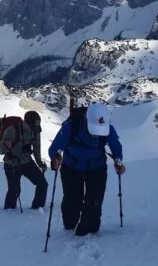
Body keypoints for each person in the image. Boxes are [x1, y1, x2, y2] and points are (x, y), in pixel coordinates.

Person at [48, 97, 125, 236]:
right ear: (86, 120)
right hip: (72, 167)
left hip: (96, 168)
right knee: (72, 199)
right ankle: (70, 224)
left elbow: (115, 145)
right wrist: (55, 158)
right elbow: (55, 147)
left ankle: (88, 230)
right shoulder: (72, 125)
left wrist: (118, 160)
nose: (96, 134)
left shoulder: (107, 127)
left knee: (94, 201)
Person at [0, 111, 48, 210]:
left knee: (42, 184)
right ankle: (9, 213)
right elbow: (0, 150)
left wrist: (40, 163)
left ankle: (37, 209)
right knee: (14, 191)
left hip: (27, 162)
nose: (35, 129)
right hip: (11, 164)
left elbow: (37, 147)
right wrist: (7, 146)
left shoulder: (35, 130)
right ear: (27, 122)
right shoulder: (12, 130)